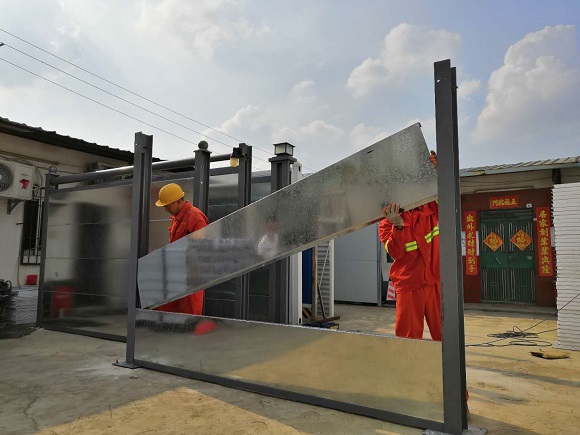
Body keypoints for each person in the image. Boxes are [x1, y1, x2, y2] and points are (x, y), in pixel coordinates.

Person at [378, 151, 441, 341]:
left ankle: (446, 362)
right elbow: (396, 253)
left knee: (446, 334)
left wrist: (437, 171)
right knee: (408, 339)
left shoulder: (430, 207)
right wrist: (397, 226)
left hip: (435, 280)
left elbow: (447, 194)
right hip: (409, 284)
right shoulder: (387, 223)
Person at [153, 183, 209, 315]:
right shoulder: (176, 218)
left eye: (167, 205)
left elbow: (202, 248)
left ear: (178, 201)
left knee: (189, 314)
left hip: (191, 276)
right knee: (170, 312)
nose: (166, 209)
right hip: (176, 273)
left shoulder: (195, 216)